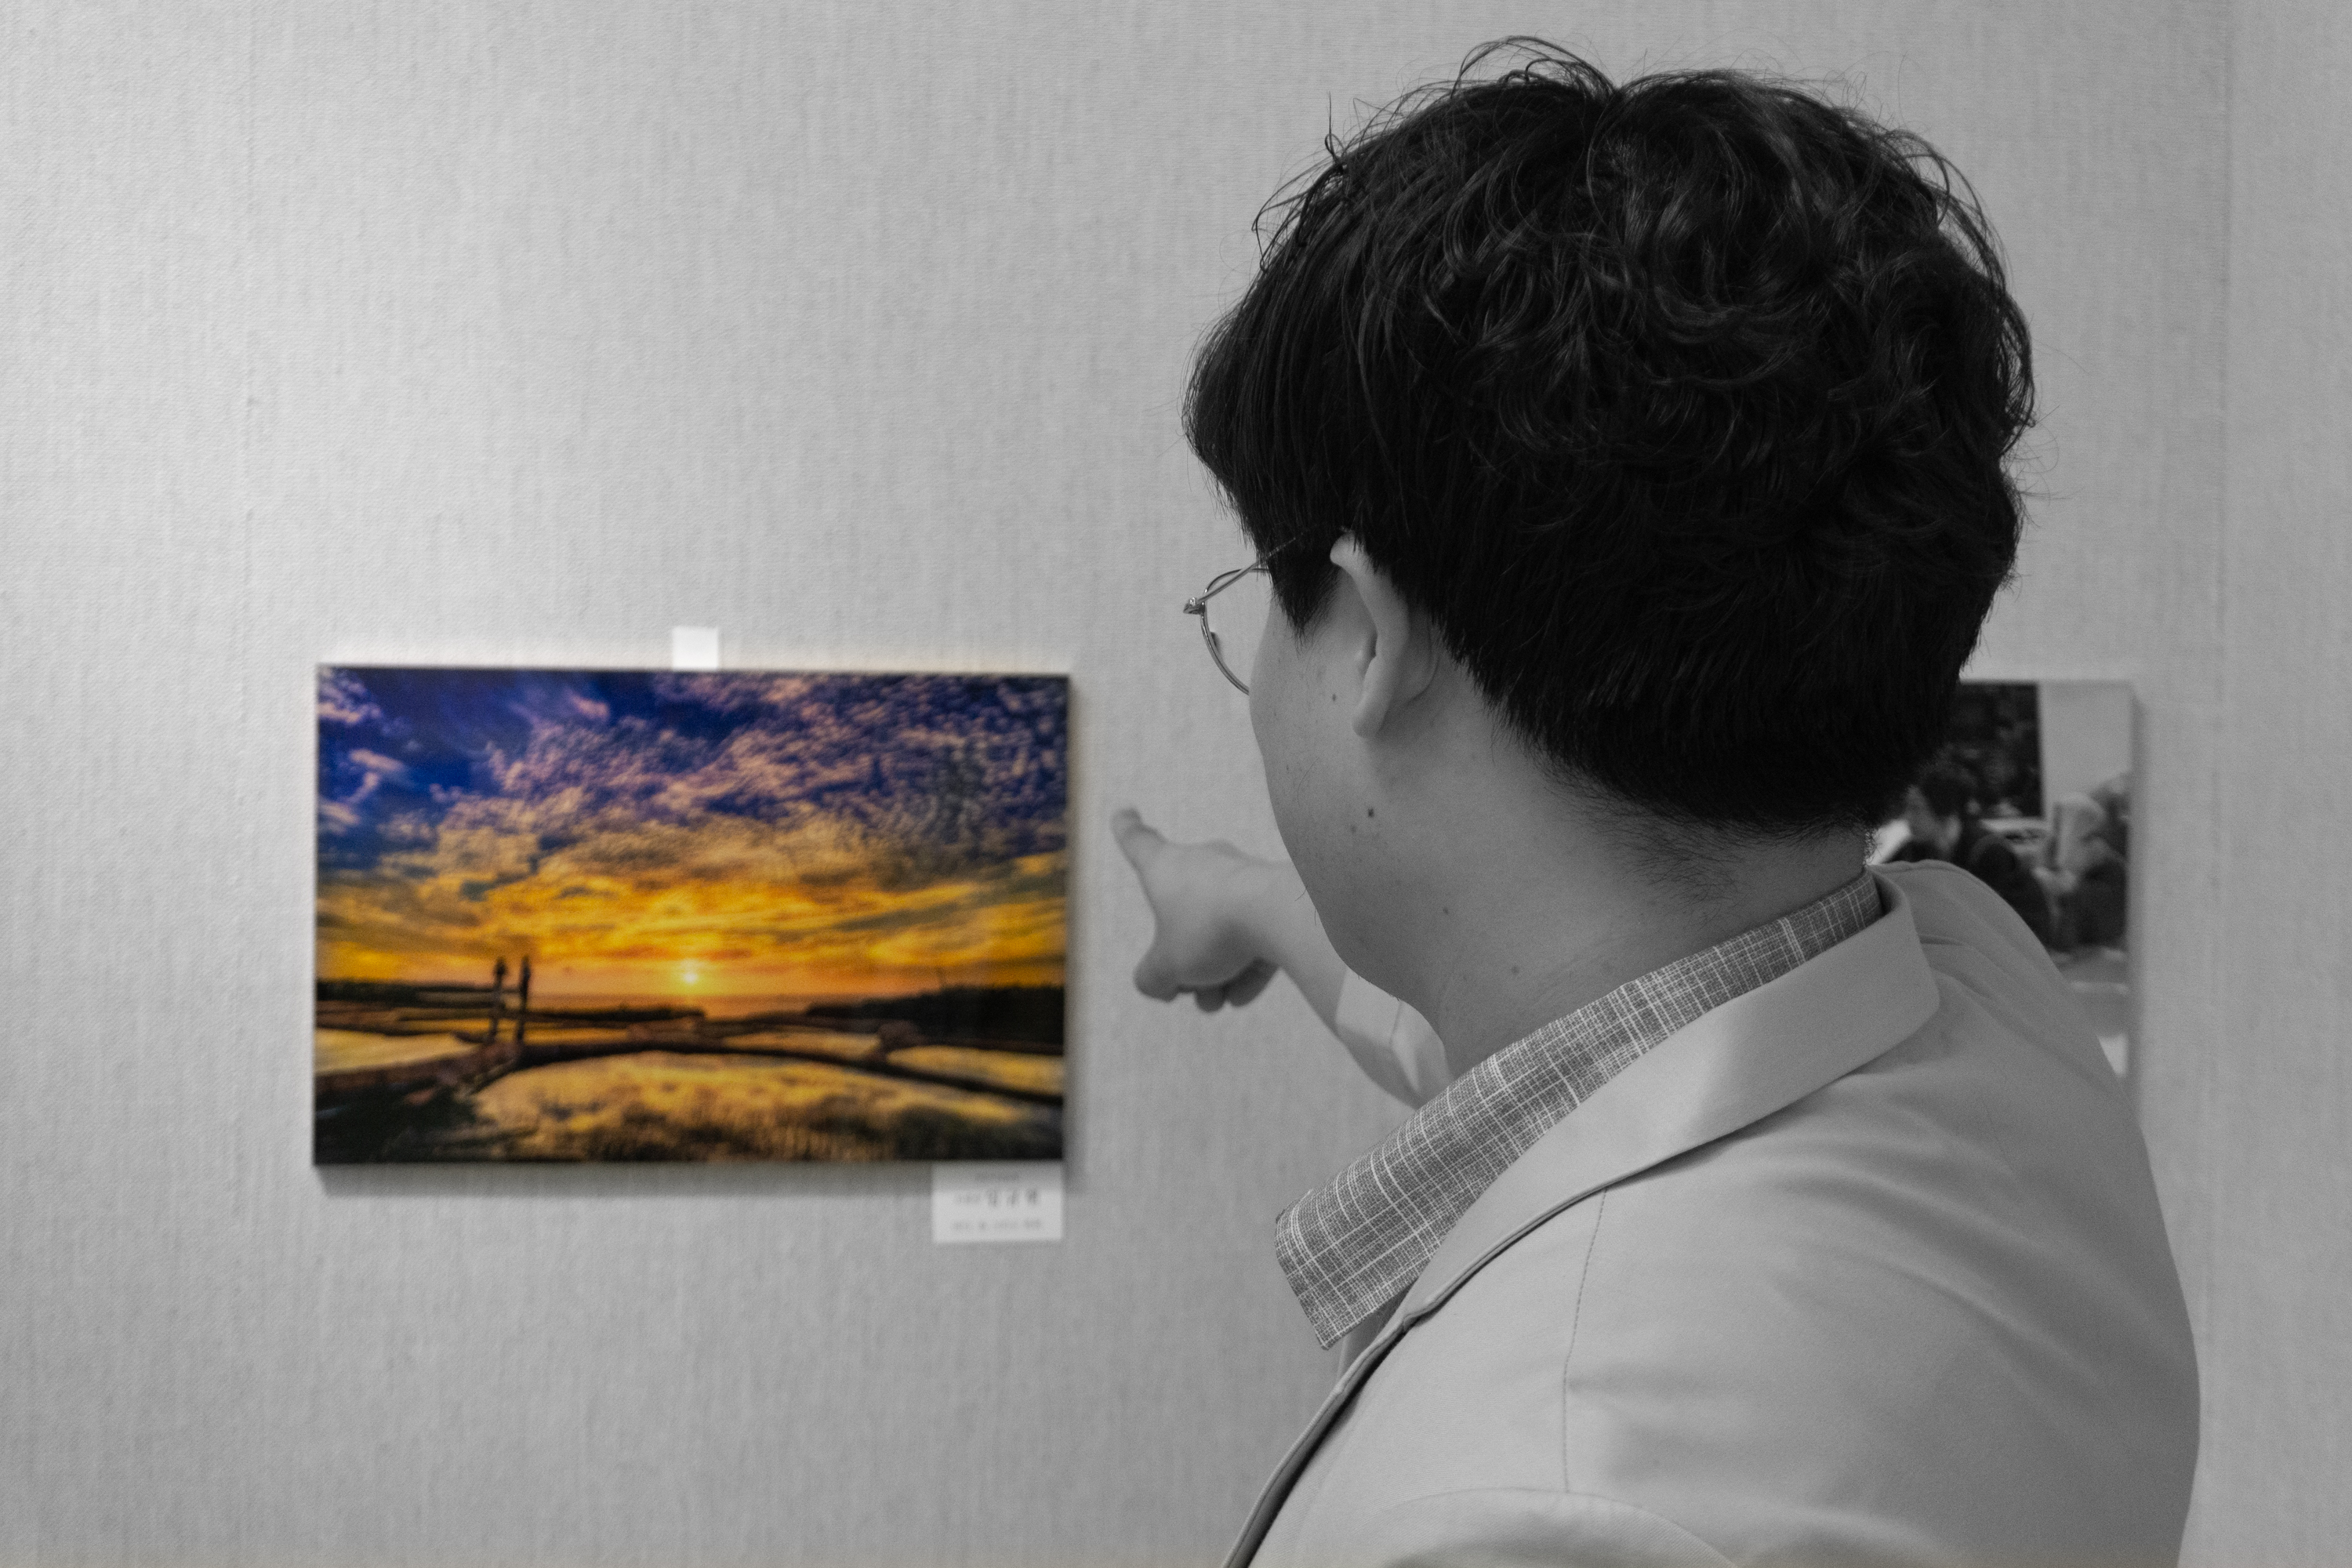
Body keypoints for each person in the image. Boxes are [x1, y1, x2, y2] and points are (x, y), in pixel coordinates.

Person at [1115, 42, 2197, 1568]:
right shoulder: (1972, 990)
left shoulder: (1536, 1512)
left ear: (1358, 633)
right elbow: (1562, 1051)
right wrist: (1245, 898)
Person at [1890, 759, 2057, 945]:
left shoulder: (1988, 851)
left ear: (1943, 809)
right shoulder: (1913, 849)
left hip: (2021, 940)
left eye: (1916, 809)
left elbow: (1992, 921)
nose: (1908, 818)